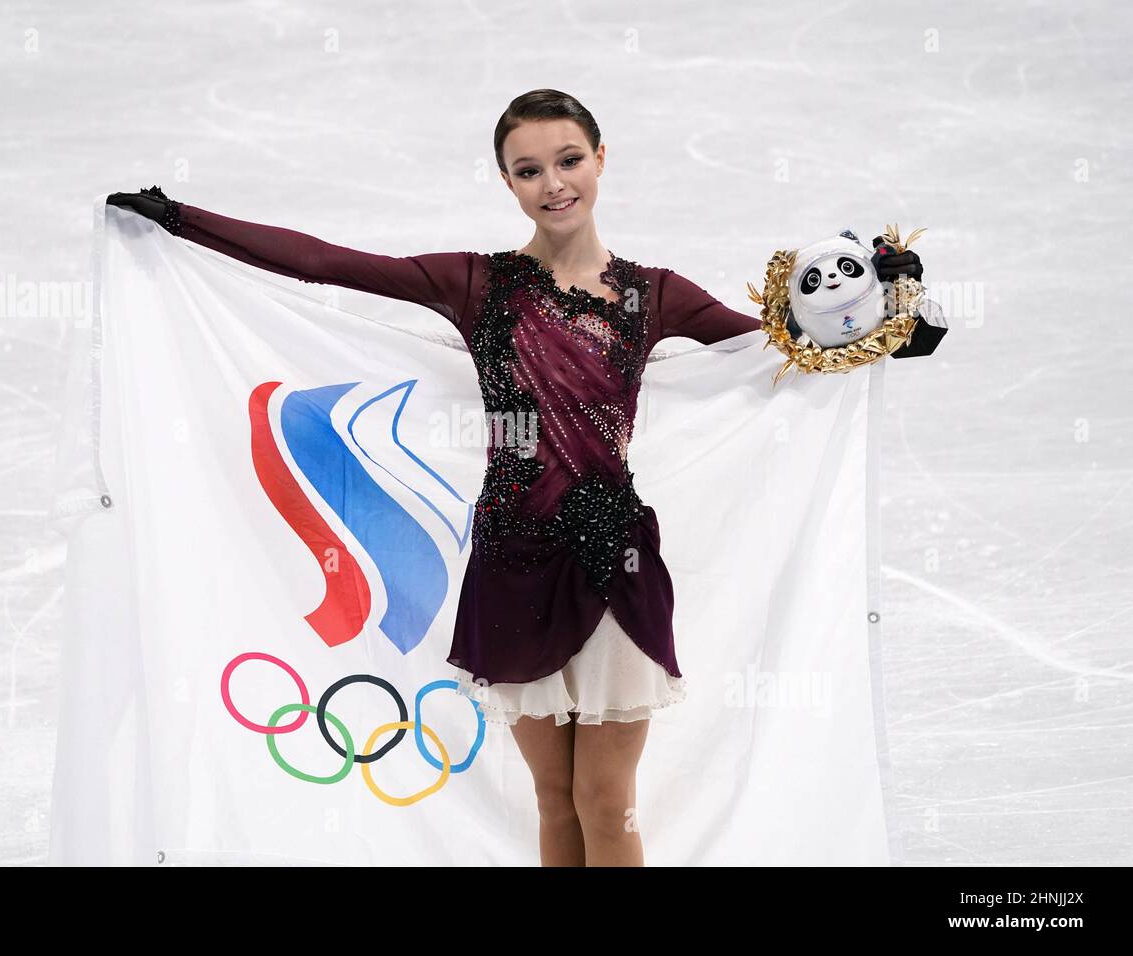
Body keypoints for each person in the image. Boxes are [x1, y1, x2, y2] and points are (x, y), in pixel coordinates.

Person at [108, 88, 937, 867]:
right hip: (511, 560)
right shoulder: (476, 284)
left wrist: (894, 324)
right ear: (506, 180)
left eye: (569, 160)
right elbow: (331, 264)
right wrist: (182, 221)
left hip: (615, 561)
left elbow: (778, 348)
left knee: (607, 803)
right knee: (553, 802)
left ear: (601, 160)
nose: (554, 184)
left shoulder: (655, 295)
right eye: (530, 169)